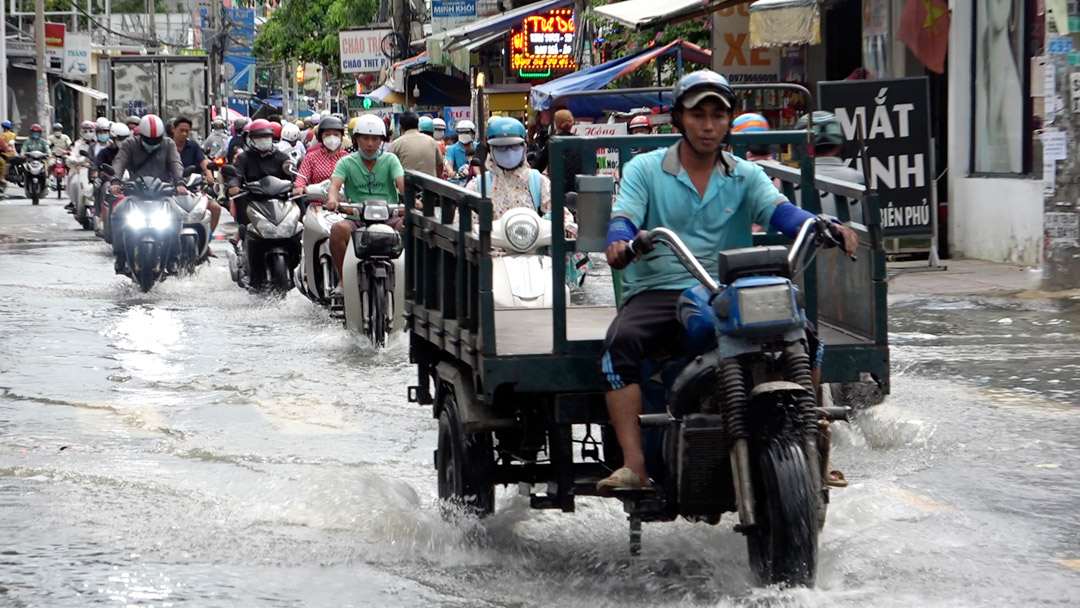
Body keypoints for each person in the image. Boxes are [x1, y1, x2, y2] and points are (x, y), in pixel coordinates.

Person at [595, 70, 859, 492]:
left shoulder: (745, 175)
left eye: (718, 115)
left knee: (805, 338)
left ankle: (813, 447)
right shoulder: (645, 168)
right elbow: (624, 217)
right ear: (679, 119)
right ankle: (635, 466)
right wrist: (621, 241)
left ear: (729, 121)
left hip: (727, 290)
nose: (708, 125)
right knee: (619, 347)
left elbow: (781, 212)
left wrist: (821, 224)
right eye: (698, 114)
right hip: (661, 288)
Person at [324, 115, 404, 296]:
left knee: (408, 228)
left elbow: (402, 184)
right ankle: (345, 277)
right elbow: (335, 185)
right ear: (356, 139)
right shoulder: (346, 161)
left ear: (382, 141)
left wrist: (413, 199)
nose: (370, 144)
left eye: (375, 139)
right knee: (337, 230)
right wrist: (332, 200)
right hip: (357, 217)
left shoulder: (391, 160)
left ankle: (407, 277)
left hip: (389, 217)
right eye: (365, 138)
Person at [107, 114, 187, 273]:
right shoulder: (130, 144)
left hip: (162, 194)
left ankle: (173, 258)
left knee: (177, 215)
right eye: (148, 140)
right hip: (135, 193)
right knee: (117, 213)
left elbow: (176, 163)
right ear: (140, 136)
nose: (152, 143)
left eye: (156, 139)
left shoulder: (168, 144)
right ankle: (121, 255)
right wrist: (115, 181)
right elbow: (119, 162)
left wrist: (180, 183)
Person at [793, 111, 865, 224]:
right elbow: (877, 227)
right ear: (839, 146)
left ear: (801, 147)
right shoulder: (859, 179)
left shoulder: (789, 180)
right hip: (852, 241)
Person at [223, 118, 293, 233]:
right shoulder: (244, 158)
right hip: (254, 201)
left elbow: (292, 177)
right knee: (240, 200)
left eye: (266, 136)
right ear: (251, 139)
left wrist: (298, 188)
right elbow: (237, 174)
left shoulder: (282, 157)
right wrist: (233, 186)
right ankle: (244, 232)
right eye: (259, 137)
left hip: (280, 203)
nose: (263, 140)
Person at [172, 115, 221, 237]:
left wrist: (209, 175)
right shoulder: (167, 146)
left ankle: (206, 240)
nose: (184, 134)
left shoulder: (193, 146)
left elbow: (203, 162)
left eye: (187, 131)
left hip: (193, 189)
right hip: (171, 190)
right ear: (173, 129)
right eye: (181, 130)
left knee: (215, 208)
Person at [292, 115, 347, 197]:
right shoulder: (311, 157)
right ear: (321, 137)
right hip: (317, 204)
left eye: (336, 135)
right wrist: (299, 187)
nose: (332, 138)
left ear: (341, 137)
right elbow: (302, 176)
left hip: (343, 204)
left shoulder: (347, 158)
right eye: (327, 135)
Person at [389, 111, 444, 178]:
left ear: (401, 128)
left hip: (407, 186)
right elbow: (440, 166)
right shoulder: (431, 141)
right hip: (430, 186)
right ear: (418, 126)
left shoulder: (397, 144)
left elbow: (389, 169)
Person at [444, 119, 476, 183]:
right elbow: (449, 164)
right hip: (457, 184)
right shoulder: (451, 149)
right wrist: (451, 172)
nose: (463, 134)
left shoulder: (478, 147)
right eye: (461, 133)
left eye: (467, 132)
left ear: (473, 133)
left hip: (475, 183)